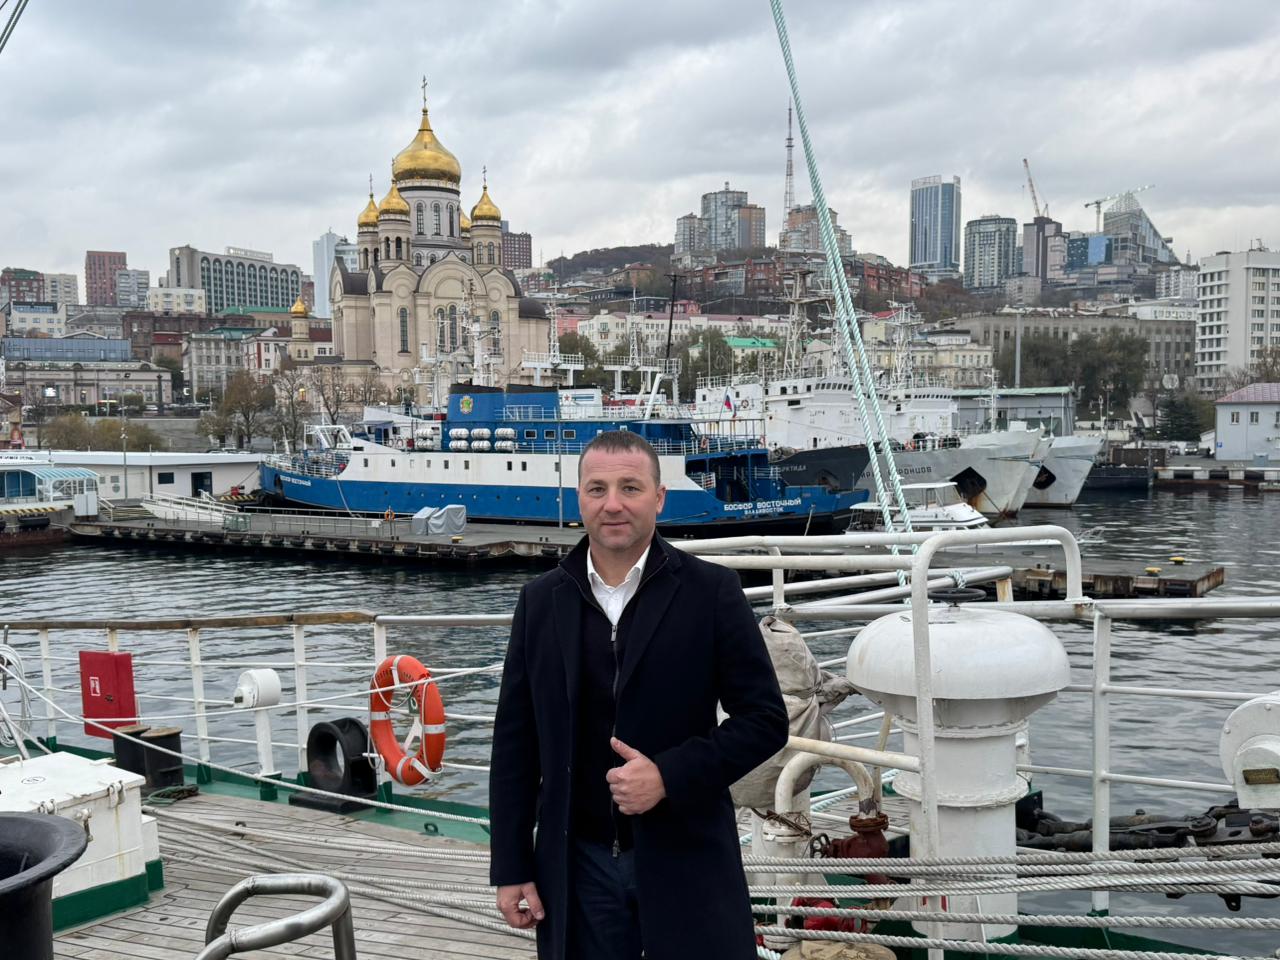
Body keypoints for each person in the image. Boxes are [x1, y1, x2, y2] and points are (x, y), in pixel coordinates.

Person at [489, 429, 789, 960]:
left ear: (659, 497)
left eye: (630, 487)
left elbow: (765, 720)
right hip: (576, 865)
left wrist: (669, 775)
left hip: (685, 853)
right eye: (597, 489)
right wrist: (511, 866)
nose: (613, 504)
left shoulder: (711, 592)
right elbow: (516, 743)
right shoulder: (540, 601)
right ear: (579, 498)